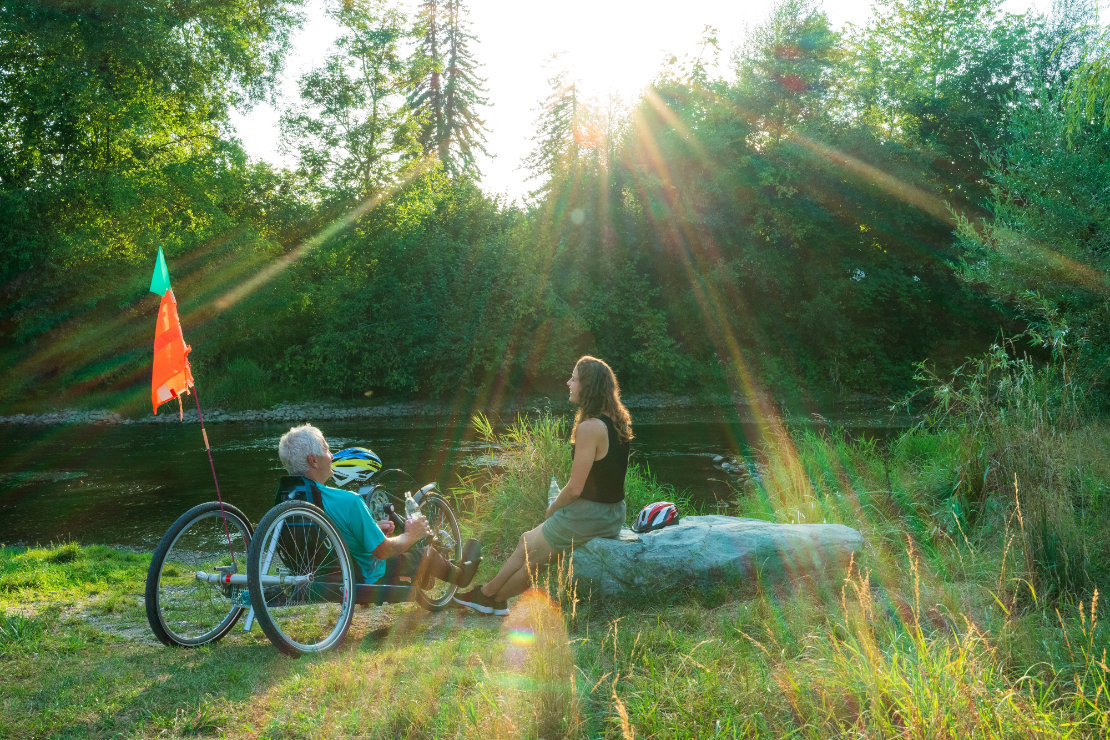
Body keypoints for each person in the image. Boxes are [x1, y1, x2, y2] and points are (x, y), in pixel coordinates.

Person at [454, 356, 632, 615]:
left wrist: (553, 510)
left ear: (588, 386)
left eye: (574, 378)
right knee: (529, 547)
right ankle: (492, 597)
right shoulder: (617, 420)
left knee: (531, 552)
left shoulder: (590, 427)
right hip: (613, 513)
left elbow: (574, 488)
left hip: (590, 514)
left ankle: (488, 596)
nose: (568, 382)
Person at [277, 424, 480, 589]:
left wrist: (372, 528)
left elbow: (334, 534)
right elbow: (382, 551)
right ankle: (461, 576)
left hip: (322, 570)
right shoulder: (349, 501)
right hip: (366, 572)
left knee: (386, 535)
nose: (331, 456)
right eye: (327, 449)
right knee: (426, 553)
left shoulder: (290, 502)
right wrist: (412, 534)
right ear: (313, 460)